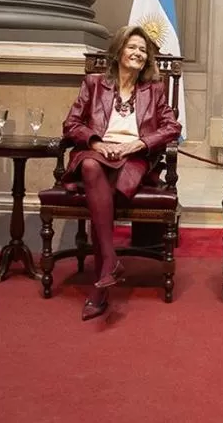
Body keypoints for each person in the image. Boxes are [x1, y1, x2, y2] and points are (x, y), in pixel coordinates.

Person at [61, 25, 181, 321]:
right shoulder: (94, 83)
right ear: (118, 51)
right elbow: (71, 124)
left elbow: (172, 127)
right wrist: (98, 143)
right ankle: (109, 265)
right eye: (133, 47)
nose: (138, 53)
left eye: (143, 50)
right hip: (97, 152)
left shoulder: (153, 90)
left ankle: (102, 283)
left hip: (132, 159)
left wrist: (137, 144)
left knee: (96, 180)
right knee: (90, 165)